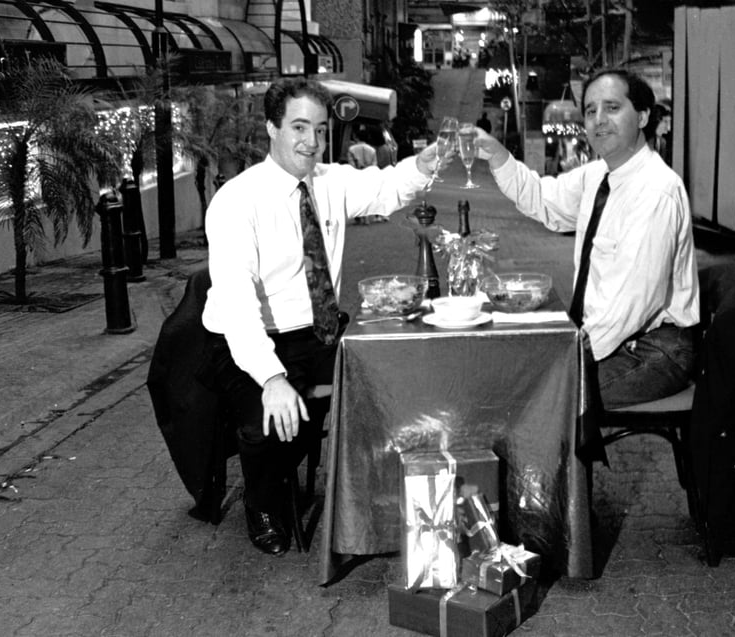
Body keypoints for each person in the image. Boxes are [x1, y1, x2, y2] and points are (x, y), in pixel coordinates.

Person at [198, 77, 441, 556]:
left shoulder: (330, 182)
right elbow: (236, 303)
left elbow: (388, 187)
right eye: (299, 127)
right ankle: (262, 504)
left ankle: (375, 500)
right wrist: (270, 378)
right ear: (271, 128)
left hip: (319, 332)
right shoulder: (236, 200)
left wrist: (424, 165)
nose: (311, 142)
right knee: (264, 425)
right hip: (246, 341)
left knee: (388, 389)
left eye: (321, 130)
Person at [469, 68, 700, 408]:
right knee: (516, 372)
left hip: (655, 350)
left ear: (643, 116)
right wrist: (498, 155)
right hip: (614, 335)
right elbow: (544, 199)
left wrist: (571, 351)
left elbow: (632, 301)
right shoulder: (599, 174)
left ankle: (550, 460)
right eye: (591, 111)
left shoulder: (655, 191)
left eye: (612, 107)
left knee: (538, 398)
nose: (598, 120)